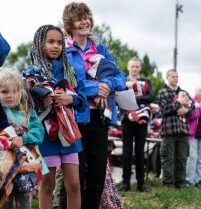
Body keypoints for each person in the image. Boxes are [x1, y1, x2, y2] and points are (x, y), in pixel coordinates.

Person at [61, 2, 126, 209]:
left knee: (97, 174)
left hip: (99, 117)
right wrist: (94, 88)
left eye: (86, 16)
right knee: (75, 177)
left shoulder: (100, 48)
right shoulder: (63, 49)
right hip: (74, 118)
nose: (84, 21)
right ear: (70, 24)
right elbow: (64, 81)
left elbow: (120, 77)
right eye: (79, 18)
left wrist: (106, 84)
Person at [23, 25, 86, 209]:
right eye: (50, 42)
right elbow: (23, 102)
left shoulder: (70, 72)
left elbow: (81, 100)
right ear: (39, 44)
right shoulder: (30, 73)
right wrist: (40, 100)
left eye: (59, 42)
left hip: (68, 134)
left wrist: (69, 99)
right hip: (45, 135)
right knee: (48, 183)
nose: (55, 46)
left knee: (74, 184)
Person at [0, 69, 44, 209]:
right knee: (4, 201)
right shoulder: (1, 112)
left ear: (21, 92)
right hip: (3, 167)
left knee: (24, 201)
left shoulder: (27, 112)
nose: (10, 96)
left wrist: (23, 139)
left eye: (14, 91)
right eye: (5, 91)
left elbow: (39, 132)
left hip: (25, 166)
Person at [118, 57, 153, 192]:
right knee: (126, 152)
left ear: (140, 68)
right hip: (126, 118)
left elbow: (150, 97)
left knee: (140, 151)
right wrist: (135, 99)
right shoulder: (122, 80)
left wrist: (131, 97)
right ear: (128, 67)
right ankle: (126, 183)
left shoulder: (146, 81)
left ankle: (141, 183)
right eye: (132, 66)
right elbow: (118, 97)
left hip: (142, 118)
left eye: (137, 66)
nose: (134, 69)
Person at [157, 69, 194, 189]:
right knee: (168, 159)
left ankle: (181, 183)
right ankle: (168, 184)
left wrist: (187, 110)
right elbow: (164, 110)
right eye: (172, 76)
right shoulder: (163, 92)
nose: (175, 78)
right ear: (167, 78)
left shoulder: (184, 92)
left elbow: (192, 109)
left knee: (182, 158)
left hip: (183, 130)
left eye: (177, 76)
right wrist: (178, 102)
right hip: (169, 130)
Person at [186, 86, 201, 186]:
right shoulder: (191, 101)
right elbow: (190, 115)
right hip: (193, 133)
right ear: (196, 91)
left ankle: (200, 180)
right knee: (192, 157)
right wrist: (200, 109)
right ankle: (190, 180)